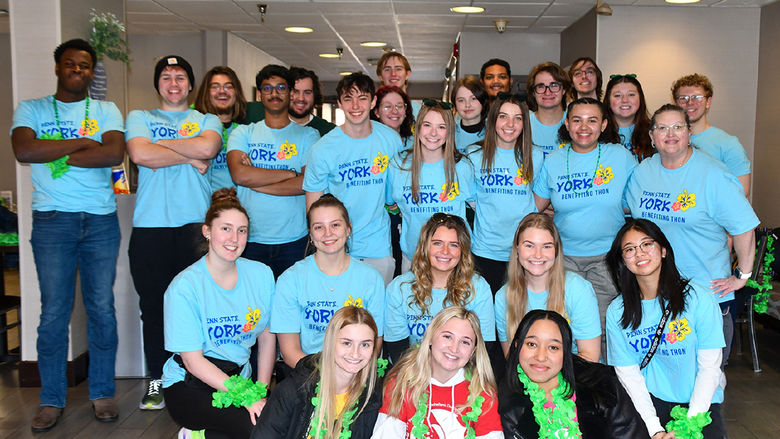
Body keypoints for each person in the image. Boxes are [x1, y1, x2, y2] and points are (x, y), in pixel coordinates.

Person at [11, 38, 125, 431]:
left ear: (92, 71)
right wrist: (82, 142)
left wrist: (53, 150)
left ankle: (102, 393)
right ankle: (51, 399)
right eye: (71, 64)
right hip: (52, 220)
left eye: (85, 66)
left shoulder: (106, 109)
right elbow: (24, 150)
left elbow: (112, 155)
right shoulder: (32, 108)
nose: (78, 70)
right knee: (54, 313)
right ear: (58, 67)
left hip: (99, 222)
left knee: (102, 309)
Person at [624, 104, 759, 366]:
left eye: (678, 127)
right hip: (655, 295)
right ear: (652, 136)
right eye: (662, 127)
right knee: (661, 377)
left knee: (705, 380)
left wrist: (742, 276)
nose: (670, 133)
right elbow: (626, 211)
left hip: (704, 296)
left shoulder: (714, 174)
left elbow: (744, 227)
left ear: (689, 133)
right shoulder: (643, 173)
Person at [126, 55, 222, 410]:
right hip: (150, 228)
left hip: (194, 229)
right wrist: (189, 154)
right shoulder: (139, 117)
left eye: (180, 76)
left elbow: (208, 147)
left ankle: (196, 378)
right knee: (153, 310)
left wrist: (160, 148)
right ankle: (157, 382)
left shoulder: (207, 119)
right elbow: (138, 153)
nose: (173, 83)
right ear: (158, 84)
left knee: (197, 309)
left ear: (190, 84)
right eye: (166, 77)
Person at [162, 188, 275, 439]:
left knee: (269, 421)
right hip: (191, 384)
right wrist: (244, 398)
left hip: (239, 378)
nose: (234, 238)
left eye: (242, 230)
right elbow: (193, 361)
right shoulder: (184, 287)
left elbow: (267, 337)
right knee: (257, 429)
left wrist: (260, 392)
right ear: (207, 231)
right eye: (225, 228)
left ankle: (198, 436)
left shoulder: (262, 275)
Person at [533, 98, 637, 359]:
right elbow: (535, 206)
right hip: (564, 258)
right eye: (577, 120)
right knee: (562, 323)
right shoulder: (554, 160)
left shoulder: (620, 157)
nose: (583, 127)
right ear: (567, 124)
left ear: (603, 125)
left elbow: (634, 202)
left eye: (592, 120)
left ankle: (600, 384)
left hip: (607, 258)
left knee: (602, 324)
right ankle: (565, 385)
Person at [605, 219, 728, 439]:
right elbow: (628, 375)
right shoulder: (617, 311)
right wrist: (655, 429)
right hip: (650, 401)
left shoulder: (699, 298)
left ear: (663, 250)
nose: (639, 253)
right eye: (630, 249)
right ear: (623, 260)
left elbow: (710, 368)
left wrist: (689, 426)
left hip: (701, 401)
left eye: (647, 244)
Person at [303, 72, 402, 284]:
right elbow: (313, 209)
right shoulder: (323, 149)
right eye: (348, 98)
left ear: (373, 101)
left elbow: (398, 189)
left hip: (378, 246)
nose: (355, 105)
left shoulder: (391, 140)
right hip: (337, 246)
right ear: (339, 103)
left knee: (375, 315)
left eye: (362, 98)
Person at [226, 64, 320, 278]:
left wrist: (255, 180)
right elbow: (239, 175)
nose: (274, 93)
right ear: (259, 94)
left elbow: (306, 183)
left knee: (290, 307)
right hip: (249, 239)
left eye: (281, 87)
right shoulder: (243, 133)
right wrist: (289, 173)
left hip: (294, 241)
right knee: (253, 307)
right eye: (267, 88)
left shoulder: (309, 136)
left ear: (290, 93)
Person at [271, 195, 385, 369]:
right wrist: (325, 380)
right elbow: (289, 352)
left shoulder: (371, 278)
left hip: (356, 371)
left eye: (335, 225)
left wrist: (348, 375)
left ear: (348, 229)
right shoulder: (290, 279)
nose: (328, 233)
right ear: (310, 234)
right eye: (319, 227)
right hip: (308, 372)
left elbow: (375, 343)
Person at [498, 310, 644, 438]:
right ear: (517, 346)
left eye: (553, 347)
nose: (541, 357)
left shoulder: (601, 384)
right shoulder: (505, 402)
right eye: (532, 344)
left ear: (565, 352)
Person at [373, 307, 503, 439]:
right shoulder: (401, 382)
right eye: (447, 337)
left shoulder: (482, 394)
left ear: (473, 352)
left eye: (465, 342)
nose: (454, 348)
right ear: (430, 337)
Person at [253, 306, 383, 439]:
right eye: (347, 343)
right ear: (331, 342)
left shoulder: (373, 397)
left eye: (365, 345)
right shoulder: (295, 388)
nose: (355, 354)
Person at [383, 214, 495, 364]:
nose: (445, 251)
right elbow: (398, 350)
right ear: (424, 247)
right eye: (437, 243)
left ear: (463, 251)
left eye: (454, 245)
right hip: (411, 371)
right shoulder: (399, 288)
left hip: (460, 373)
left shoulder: (478, 288)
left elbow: (483, 347)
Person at [494, 214, 601, 362]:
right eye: (529, 245)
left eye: (546, 246)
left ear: (556, 250)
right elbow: (511, 359)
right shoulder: (503, 297)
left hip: (577, 378)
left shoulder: (578, 290)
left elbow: (590, 357)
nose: (538, 255)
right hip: (529, 378)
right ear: (517, 249)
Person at [386, 101, 476, 271]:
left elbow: (478, 207)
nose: (433, 133)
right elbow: (390, 204)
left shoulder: (462, 167)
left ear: (449, 131)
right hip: (413, 259)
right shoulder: (399, 165)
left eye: (441, 127)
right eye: (427, 125)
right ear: (417, 127)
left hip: (453, 260)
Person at [467, 94, 542, 294]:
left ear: (525, 123)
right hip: (485, 251)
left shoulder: (535, 155)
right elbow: (473, 199)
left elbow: (540, 196)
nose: (510, 124)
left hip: (523, 252)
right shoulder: (474, 155)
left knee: (517, 316)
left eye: (517, 118)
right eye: (503, 116)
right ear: (493, 120)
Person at [671, 73, 751, 196]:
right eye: (683, 98)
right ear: (675, 103)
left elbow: (741, 192)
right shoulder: (667, 141)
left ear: (708, 102)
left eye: (697, 97)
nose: (690, 103)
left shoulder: (728, 144)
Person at [193, 66, 248, 192]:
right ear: (206, 93)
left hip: (239, 206)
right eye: (215, 86)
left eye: (228, 86)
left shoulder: (245, 132)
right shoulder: (194, 129)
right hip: (204, 206)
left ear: (236, 93)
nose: (222, 91)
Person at [244, 67, 336, 137]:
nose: (301, 98)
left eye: (307, 92)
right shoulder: (254, 115)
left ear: (314, 95)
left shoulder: (328, 132)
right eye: (295, 91)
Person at [602, 74, 654, 161]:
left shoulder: (654, 132)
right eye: (617, 95)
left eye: (631, 94)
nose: (625, 100)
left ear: (640, 98)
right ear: (608, 101)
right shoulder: (598, 134)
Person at [526, 62, 570, 157]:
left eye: (554, 85)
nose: (547, 92)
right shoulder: (523, 124)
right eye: (540, 86)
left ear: (564, 89)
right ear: (533, 92)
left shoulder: (575, 123)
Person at [376, 52, 422, 117]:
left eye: (398, 69)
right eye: (387, 69)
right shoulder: (373, 109)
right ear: (380, 76)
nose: (393, 74)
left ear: (407, 74)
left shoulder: (420, 111)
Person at [451, 75, 488, 152]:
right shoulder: (448, 134)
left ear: (483, 100)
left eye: (473, 99)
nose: (467, 105)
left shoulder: (494, 133)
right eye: (461, 100)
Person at [371, 85, 414, 150]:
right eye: (388, 106)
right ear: (376, 112)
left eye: (399, 106)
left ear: (405, 111)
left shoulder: (414, 144)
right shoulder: (370, 144)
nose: (394, 111)